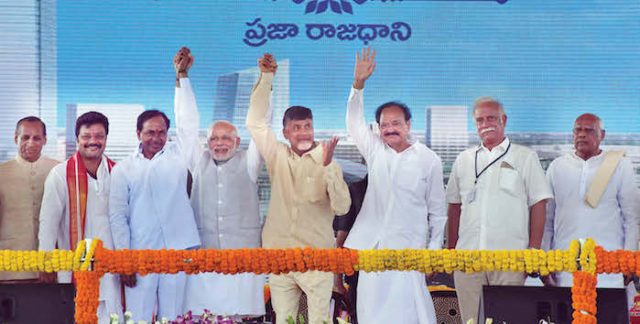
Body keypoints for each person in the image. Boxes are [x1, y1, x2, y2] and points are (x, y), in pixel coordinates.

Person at [343, 48, 446, 324]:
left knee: (410, 314)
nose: (390, 129)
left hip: (410, 251)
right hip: (373, 249)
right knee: (370, 313)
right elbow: (353, 122)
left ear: (408, 124)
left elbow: (438, 213)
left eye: (396, 123)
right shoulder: (375, 151)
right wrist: (358, 85)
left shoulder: (429, 159)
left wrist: (433, 253)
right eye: (384, 125)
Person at [246, 53, 351, 324]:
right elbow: (255, 123)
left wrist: (327, 167)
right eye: (296, 128)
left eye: (308, 126)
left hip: (316, 257)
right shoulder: (277, 155)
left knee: (319, 321)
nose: (304, 133)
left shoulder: (329, 162)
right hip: (279, 254)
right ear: (285, 133)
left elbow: (342, 208)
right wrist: (267, 77)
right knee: (284, 319)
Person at [109, 47, 201, 321]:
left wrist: (182, 78)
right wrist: (124, 259)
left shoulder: (178, 155)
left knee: (173, 316)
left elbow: (189, 123)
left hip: (178, 251)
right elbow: (117, 217)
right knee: (137, 317)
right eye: (150, 132)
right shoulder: (123, 168)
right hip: (140, 256)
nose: (156, 137)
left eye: (162, 132)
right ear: (138, 133)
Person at [179, 47, 271, 318]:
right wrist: (183, 79)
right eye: (214, 139)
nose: (219, 144)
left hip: (241, 258)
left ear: (237, 141)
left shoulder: (250, 162)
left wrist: (266, 80)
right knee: (202, 315)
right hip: (204, 259)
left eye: (226, 138)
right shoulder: (199, 161)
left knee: (239, 316)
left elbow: (262, 125)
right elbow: (186, 127)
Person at [446, 96, 552, 323]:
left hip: (510, 259)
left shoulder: (525, 157)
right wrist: (452, 251)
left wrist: (533, 251)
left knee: (509, 319)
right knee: (470, 320)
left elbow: (539, 204)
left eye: (492, 118)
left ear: (504, 120)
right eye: (480, 120)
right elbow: (454, 207)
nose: (486, 124)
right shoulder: (464, 159)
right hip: (467, 259)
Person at [542, 113, 640, 308]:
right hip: (565, 268)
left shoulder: (619, 165)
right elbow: (547, 220)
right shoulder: (557, 167)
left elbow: (632, 218)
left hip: (610, 270)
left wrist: (628, 260)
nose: (582, 135)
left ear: (602, 135)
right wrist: (546, 260)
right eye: (578, 130)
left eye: (589, 130)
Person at [38, 111, 122, 323]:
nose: (93, 141)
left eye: (99, 136)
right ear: (77, 139)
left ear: (106, 138)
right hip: (78, 262)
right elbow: (48, 222)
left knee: (114, 316)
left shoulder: (119, 172)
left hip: (112, 264)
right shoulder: (60, 173)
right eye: (86, 136)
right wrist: (45, 262)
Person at [0, 117, 59, 282]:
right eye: (25, 137)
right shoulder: (2, 172)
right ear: (15, 138)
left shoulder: (58, 170)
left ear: (45, 140)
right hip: (9, 268)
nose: (31, 143)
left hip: (50, 269)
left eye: (37, 138)